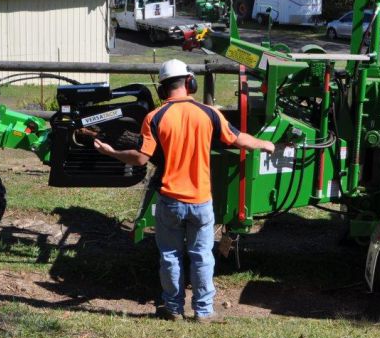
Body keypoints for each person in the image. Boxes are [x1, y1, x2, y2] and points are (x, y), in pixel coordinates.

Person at [94, 59, 274, 322]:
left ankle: (173, 308)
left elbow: (141, 159)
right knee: (202, 256)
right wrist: (264, 144)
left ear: (162, 89)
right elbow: (238, 139)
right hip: (201, 200)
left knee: (170, 256)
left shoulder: (155, 117)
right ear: (190, 82)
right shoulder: (209, 113)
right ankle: (203, 311)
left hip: (170, 200)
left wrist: (112, 152)